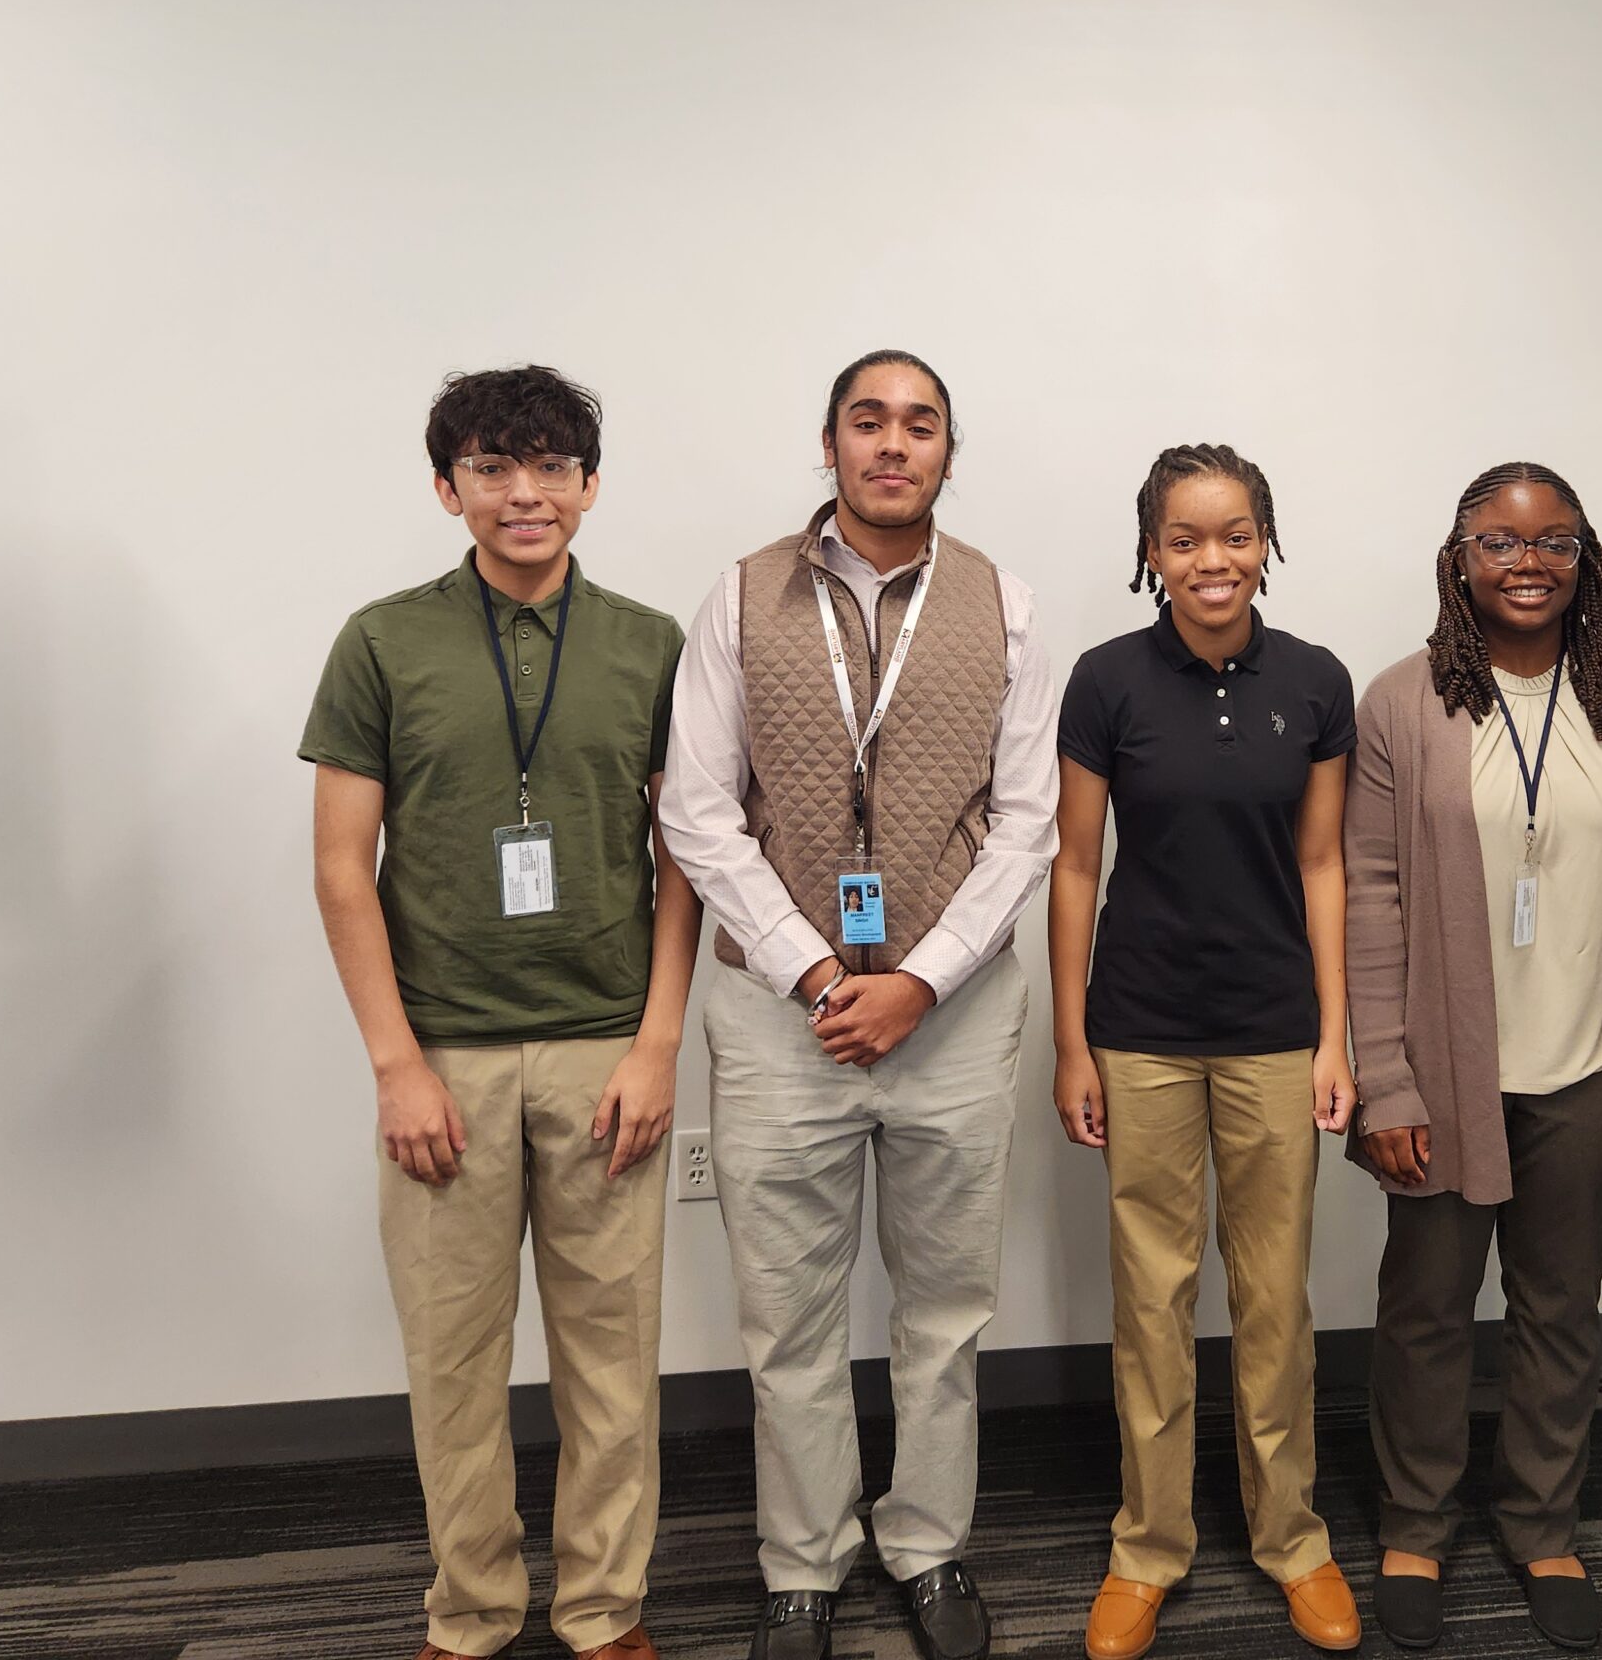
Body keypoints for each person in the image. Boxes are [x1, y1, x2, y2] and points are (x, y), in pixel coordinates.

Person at [659, 350, 1059, 1660]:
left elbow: (1027, 828)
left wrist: (919, 980)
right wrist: (823, 974)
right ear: (828, 444)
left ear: (950, 450)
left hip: (955, 1013)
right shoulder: (738, 597)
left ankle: (930, 1545)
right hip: (781, 1019)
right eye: (869, 421)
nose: (895, 444)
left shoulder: (1005, 603)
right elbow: (696, 812)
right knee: (791, 1317)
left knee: (947, 1308)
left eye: (921, 424)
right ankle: (803, 1563)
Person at [302, 365, 698, 1660]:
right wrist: (393, 1065)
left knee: (612, 1366)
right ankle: (468, 1617)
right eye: (490, 467)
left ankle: (605, 1613)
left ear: (590, 484)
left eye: (549, 467)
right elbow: (337, 865)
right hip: (444, 1059)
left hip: (604, 1054)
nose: (522, 492)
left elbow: (684, 855)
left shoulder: (649, 643)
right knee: (454, 1370)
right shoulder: (382, 640)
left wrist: (656, 1044)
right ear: (447, 486)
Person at [1346, 462, 1602, 1656]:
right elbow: (1368, 896)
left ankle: (1542, 1524)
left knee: (1562, 1313)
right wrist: (1387, 1079)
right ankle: (1413, 1523)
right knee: (1426, 1312)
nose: (1526, 561)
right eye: (1498, 541)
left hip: (1587, 1066)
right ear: (1457, 557)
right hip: (1447, 1073)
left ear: (1584, 560)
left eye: (1553, 540)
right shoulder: (1402, 703)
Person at [1049, 445, 1364, 1660]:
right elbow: (1076, 868)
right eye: (1183, 539)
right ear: (1151, 555)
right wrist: (1074, 1043)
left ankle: (1294, 1540)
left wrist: (1332, 1037)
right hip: (1140, 1033)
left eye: (1233, 534)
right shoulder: (1105, 682)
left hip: (1276, 1032)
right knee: (1153, 1300)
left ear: (1265, 541)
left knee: (1277, 1299)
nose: (1211, 560)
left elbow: (1323, 866)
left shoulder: (1316, 683)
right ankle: (1148, 1547)